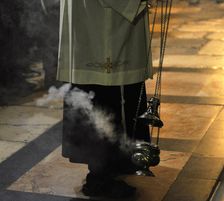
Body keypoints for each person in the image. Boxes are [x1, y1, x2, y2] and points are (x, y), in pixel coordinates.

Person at [57, 0, 152, 198]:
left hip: (100, 18)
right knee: (103, 93)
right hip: (101, 22)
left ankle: (112, 165)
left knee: (108, 92)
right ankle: (101, 176)